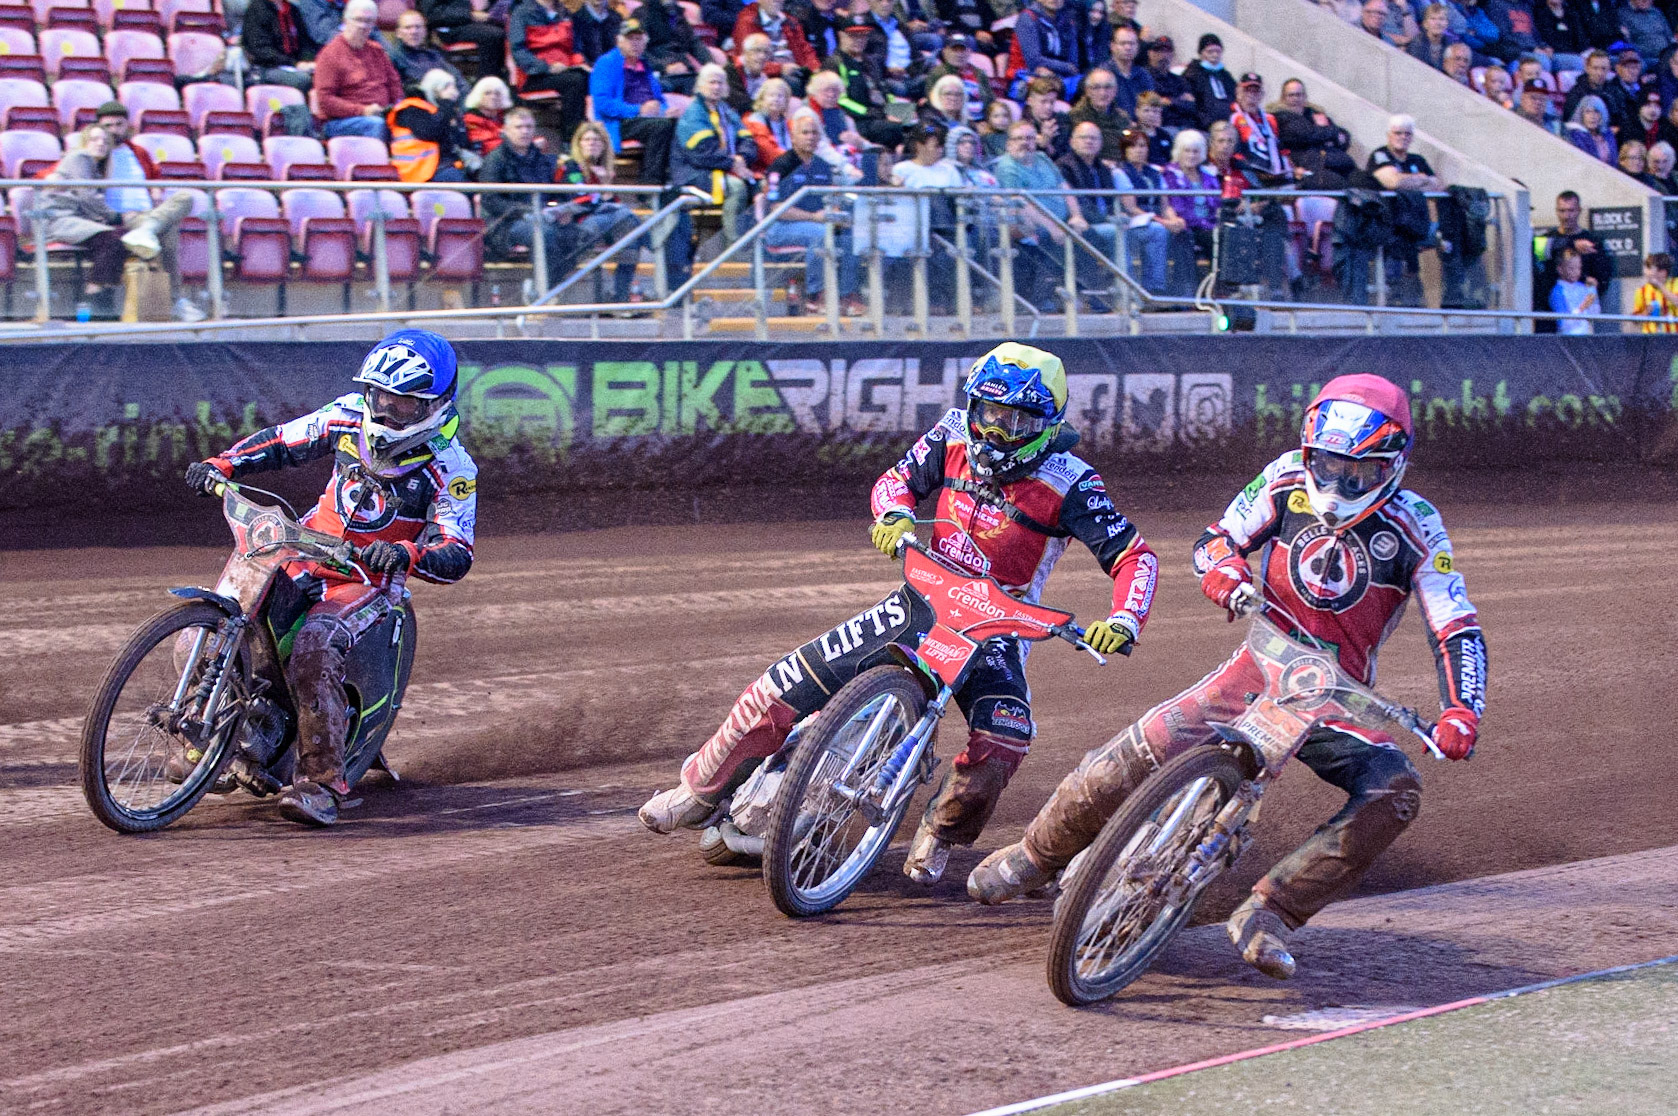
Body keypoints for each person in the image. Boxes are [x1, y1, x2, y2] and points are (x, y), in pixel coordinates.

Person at [970, 375, 1488, 990]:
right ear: (1309, 449)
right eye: (1327, 464)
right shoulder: (1286, 478)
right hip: (1260, 662)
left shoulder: (1419, 528)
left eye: (1359, 474)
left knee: (1396, 793)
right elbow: (1217, 540)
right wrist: (1222, 572)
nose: (1338, 483)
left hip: (1337, 697)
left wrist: (1462, 711)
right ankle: (1035, 855)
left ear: (1392, 465)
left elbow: (1456, 625)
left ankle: (1272, 912)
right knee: (1136, 751)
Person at [639, 343, 1159, 890]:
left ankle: (939, 831)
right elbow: (898, 480)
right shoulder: (952, 432)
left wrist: (1124, 619)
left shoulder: (1074, 482)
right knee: (785, 680)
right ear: (973, 406)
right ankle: (697, 792)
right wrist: (894, 514)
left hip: (996, 629)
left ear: (1050, 422)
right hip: (923, 598)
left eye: (1019, 419)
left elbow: (1133, 557)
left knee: (1007, 738)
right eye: (992, 414)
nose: (1000, 432)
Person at [185, 331, 478, 828]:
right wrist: (224, 463)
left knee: (315, 647)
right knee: (216, 620)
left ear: (435, 405)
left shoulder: (451, 468)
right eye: (381, 397)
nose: (386, 412)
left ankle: (322, 785)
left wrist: (406, 553)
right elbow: (284, 441)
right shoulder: (347, 415)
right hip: (303, 550)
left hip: (368, 580)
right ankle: (216, 738)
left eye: (404, 404)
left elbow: (457, 551)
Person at [40, 124, 195, 320]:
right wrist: (118, 217)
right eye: (95, 139)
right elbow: (86, 196)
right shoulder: (81, 158)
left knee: (177, 209)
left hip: (96, 219)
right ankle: (96, 296)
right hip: (61, 219)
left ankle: (147, 229)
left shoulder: (101, 166)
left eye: (105, 141)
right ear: (84, 141)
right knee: (117, 237)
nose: (101, 144)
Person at [89, 103, 203, 322]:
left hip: (147, 214)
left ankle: (149, 228)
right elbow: (63, 171)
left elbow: (155, 175)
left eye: (118, 124)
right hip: (123, 218)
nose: (113, 130)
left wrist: (156, 188)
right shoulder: (96, 152)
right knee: (168, 230)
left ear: (127, 125)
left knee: (185, 197)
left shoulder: (138, 152)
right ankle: (176, 301)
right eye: (108, 125)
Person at [763, 111, 863, 312]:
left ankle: (847, 295)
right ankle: (815, 294)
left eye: (814, 133)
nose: (810, 137)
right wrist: (814, 218)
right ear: (793, 137)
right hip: (780, 227)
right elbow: (776, 210)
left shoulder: (824, 166)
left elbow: (830, 200)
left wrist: (836, 214)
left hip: (817, 222)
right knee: (821, 234)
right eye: (805, 133)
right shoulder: (780, 166)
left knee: (851, 237)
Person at [1367, 114, 1457, 306]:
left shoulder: (1417, 159)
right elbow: (1392, 182)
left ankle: (1452, 297)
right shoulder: (1380, 155)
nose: (1402, 137)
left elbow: (1436, 185)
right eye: (1397, 133)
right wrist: (1420, 179)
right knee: (1395, 260)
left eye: (1407, 134)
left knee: (1454, 235)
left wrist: (1406, 180)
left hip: (1417, 223)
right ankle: (1393, 300)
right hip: (1389, 223)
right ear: (1389, 135)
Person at [670, 62, 759, 251]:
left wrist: (742, 158)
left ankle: (759, 243)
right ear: (700, 86)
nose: (716, 87)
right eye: (712, 82)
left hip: (725, 166)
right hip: (693, 172)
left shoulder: (726, 110)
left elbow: (747, 139)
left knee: (760, 185)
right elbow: (702, 154)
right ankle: (735, 244)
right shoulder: (693, 114)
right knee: (736, 187)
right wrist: (733, 163)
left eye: (720, 83)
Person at [479, 107, 580, 269]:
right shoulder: (494, 159)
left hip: (542, 217)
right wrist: (527, 210)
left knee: (576, 234)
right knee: (545, 234)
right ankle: (545, 289)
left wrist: (564, 208)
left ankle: (554, 287)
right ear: (506, 130)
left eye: (529, 127)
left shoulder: (541, 159)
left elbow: (557, 189)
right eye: (519, 127)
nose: (524, 131)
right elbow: (490, 200)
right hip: (504, 225)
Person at [559, 121, 644, 304]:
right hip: (578, 223)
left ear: (605, 145)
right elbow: (580, 197)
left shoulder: (606, 170)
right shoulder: (570, 167)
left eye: (597, 140)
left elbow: (612, 203)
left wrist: (605, 185)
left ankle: (621, 296)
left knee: (631, 239)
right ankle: (650, 237)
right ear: (579, 143)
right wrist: (603, 190)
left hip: (606, 223)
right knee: (630, 223)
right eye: (587, 139)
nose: (592, 143)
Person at [589, 20, 678, 184]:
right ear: (619, 41)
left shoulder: (644, 64)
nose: (635, 43)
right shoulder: (606, 63)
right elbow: (603, 104)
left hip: (647, 119)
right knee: (661, 126)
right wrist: (638, 110)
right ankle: (650, 185)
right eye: (630, 39)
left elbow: (658, 99)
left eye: (639, 39)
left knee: (677, 123)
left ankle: (676, 182)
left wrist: (665, 110)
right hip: (619, 121)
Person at [314, 0, 404, 141]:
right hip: (341, 122)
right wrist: (363, 110)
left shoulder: (378, 51)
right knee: (376, 125)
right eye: (358, 20)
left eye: (368, 21)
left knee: (415, 122)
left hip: (381, 114)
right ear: (346, 20)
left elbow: (395, 85)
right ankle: (375, 163)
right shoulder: (330, 54)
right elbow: (325, 101)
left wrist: (399, 109)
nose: (363, 26)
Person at [1056, 119, 1123, 304]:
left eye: (1094, 138)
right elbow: (1077, 203)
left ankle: (1132, 286)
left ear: (1101, 143)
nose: (1089, 141)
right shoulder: (1064, 166)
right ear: (1072, 141)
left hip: (1106, 220)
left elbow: (1111, 200)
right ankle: (1121, 289)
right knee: (1117, 232)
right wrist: (1109, 219)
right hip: (1082, 222)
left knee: (1153, 232)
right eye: (1083, 137)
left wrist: (1118, 214)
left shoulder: (1104, 168)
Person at [1112, 125, 1182, 294]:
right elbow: (1131, 208)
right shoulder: (1119, 173)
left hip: (1154, 219)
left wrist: (1173, 219)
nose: (1139, 150)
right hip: (1131, 221)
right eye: (1133, 146)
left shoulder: (1155, 172)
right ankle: (1150, 287)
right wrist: (1163, 222)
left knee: (1180, 230)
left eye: (1143, 146)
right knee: (1158, 231)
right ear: (1125, 150)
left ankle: (1170, 289)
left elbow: (1165, 204)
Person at [509, 0, 591, 142]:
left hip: (567, 70)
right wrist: (547, 68)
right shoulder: (522, 13)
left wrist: (580, 63)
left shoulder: (564, 13)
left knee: (593, 77)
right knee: (575, 81)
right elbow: (518, 51)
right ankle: (571, 138)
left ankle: (596, 134)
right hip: (535, 75)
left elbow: (575, 48)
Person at [1534, 189, 1615, 329]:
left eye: (1571, 210)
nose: (1566, 216)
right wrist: (1570, 244)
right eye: (1562, 211)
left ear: (1579, 210)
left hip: (1581, 316)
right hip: (1549, 314)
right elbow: (1536, 257)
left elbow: (1602, 279)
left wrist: (1585, 286)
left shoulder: (1593, 241)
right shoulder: (1546, 239)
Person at [824, 14, 904, 148]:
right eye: (853, 35)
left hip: (883, 113)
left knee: (923, 125)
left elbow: (884, 90)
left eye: (863, 35)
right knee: (896, 129)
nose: (859, 40)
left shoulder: (871, 61)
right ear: (841, 36)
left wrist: (895, 110)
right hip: (861, 120)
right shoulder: (834, 63)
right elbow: (841, 100)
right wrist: (877, 113)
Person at [389, 69, 480, 182]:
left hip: (444, 165)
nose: (453, 91)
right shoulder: (411, 108)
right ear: (434, 89)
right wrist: (446, 105)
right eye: (447, 87)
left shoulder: (444, 111)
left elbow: (461, 141)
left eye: (453, 86)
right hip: (419, 169)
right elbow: (430, 133)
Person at [1159, 127, 1217, 295]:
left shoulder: (1208, 175)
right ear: (1179, 151)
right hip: (1184, 223)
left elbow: (1217, 203)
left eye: (1196, 151)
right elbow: (1167, 203)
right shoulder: (1169, 173)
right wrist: (1174, 219)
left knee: (1225, 238)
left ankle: (1221, 290)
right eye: (1187, 151)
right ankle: (1186, 292)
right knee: (1183, 236)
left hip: (1208, 224)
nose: (1191, 155)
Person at [1273, 78, 1353, 186]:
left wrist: (1327, 133)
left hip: (1335, 161)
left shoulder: (1313, 113)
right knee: (1337, 183)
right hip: (1308, 166)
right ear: (1283, 98)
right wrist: (1329, 134)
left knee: (1362, 181)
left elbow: (1344, 137)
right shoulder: (1281, 118)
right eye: (1291, 95)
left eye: (1299, 95)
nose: (1296, 99)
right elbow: (1306, 135)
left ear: (1305, 96)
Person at [735, 0, 820, 92]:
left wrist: (815, 67)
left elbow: (805, 49)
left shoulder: (790, 21)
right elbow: (748, 59)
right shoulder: (747, 22)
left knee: (824, 78)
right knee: (794, 83)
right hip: (769, 75)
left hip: (797, 70)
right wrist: (780, 69)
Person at [416, 0, 508, 80]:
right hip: (449, 27)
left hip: (471, 21)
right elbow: (435, 14)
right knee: (493, 35)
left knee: (507, 28)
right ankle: (486, 82)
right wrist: (470, 15)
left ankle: (503, 77)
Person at [1010, 0, 1081, 98]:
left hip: (1061, 78)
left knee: (1087, 84)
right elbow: (1034, 61)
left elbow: (1074, 64)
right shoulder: (1028, 17)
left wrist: (1062, 71)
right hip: (1028, 75)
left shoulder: (1068, 21)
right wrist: (1066, 67)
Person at [242, 0, 318, 92]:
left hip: (294, 64)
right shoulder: (257, 9)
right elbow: (260, 50)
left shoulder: (293, 10)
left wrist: (309, 62)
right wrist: (294, 63)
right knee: (303, 80)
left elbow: (305, 43)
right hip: (267, 67)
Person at [387, 10, 467, 94]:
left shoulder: (434, 56)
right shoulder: (392, 58)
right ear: (398, 33)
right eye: (408, 27)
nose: (414, 32)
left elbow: (459, 81)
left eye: (418, 27)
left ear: (424, 32)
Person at [638, 0, 707, 95]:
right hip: (659, 73)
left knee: (713, 83)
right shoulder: (642, 14)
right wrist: (664, 67)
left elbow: (694, 42)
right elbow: (639, 51)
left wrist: (711, 65)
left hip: (685, 70)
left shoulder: (676, 13)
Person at [924, 34, 993, 122]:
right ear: (945, 52)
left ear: (969, 52)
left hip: (981, 120)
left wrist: (988, 123)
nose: (959, 54)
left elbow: (990, 100)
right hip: (951, 120)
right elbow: (932, 101)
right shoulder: (937, 73)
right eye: (954, 50)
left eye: (962, 50)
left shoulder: (979, 73)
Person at [1067, 66, 1130, 162]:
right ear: (1087, 91)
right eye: (1096, 88)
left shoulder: (1123, 118)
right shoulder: (1075, 117)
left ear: (1115, 90)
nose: (1102, 93)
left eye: (1107, 87)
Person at [1182, 32, 1234, 128]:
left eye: (1218, 51)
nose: (1215, 55)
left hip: (1228, 124)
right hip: (1204, 125)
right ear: (1201, 53)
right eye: (1210, 52)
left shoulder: (1226, 76)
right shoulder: (1192, 74)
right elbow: (1192, 103)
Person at [1146, 35, 1198, 129]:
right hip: (1162, 127)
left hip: (1186, 126)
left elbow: (1192, 106)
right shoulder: (1145, 77)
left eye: (1168, 51)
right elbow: (1152, 103)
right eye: (1159, 51)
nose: (1164, 55)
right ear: (1150, 53)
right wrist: (1179, 100)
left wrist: (1170, 101)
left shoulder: (1179, 80)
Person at [745, 76, 795, 170]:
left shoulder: (790, 124)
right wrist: (797, 159)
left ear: (786, 101)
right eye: (771, 95)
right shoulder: (754, 122)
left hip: (791, 167)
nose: (776, 99)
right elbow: (768, 154)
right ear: (762, 99)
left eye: (780, 96)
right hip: (765, 170)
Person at [1548, 245, 1600, 332]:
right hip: (1568, 339)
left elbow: (1595, 312)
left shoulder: (1582, 287)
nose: (1576, 272)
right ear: (1560, 269)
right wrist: (1581, 308)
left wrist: (1592, 290)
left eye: (1578, 268)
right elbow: (1563, 324)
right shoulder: (1558, 292)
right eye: (1571, 268)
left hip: (1586, 337)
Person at [1104, 25, 1153, 116]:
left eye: (1132, 43)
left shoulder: (1143, 75)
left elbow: (1151, 105)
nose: (1128, 48)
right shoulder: (1103, 75)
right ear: (1112, 46)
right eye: (1123, 43)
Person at [1023, 73, 1073, 161]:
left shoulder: (1062, 121)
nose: (1048, 107)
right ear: (1030, 101)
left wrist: (1047, 145)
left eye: (1052, 102)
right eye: (1043, 102)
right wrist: (1040, 145)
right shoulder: (1022, 126)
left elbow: (1066, 157)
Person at [1532, 0, 1587, 72]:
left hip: (1573, 53)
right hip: (1551, 54)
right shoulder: (1539, 12)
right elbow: (1539, 37)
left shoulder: (1571, 13)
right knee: (1578, 62)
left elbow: (1580, 38)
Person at [463, 76, 513, 153]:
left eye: (497, 93)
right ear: (478, 96)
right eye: (487, 93)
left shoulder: (505, 117)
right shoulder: (470, 120)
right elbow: (487, 146)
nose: (493, 97)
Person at [1631, 251, 1677, 330]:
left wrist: (1660, 285)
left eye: (1650, 268)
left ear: (1663, 272)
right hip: (1650, 339)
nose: (1646, 273)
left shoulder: (1675, 283)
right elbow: (1634, 319)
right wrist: (1646, 312)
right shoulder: (1642, 291)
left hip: (1673, 338)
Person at [1565, 94, 1617, 163]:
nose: (1592, 116)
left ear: (1602, 114)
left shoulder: (1608, 134)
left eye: (1596, 111)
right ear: (1581, 115)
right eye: (1588, 112)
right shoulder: (1575, 135)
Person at [1405, 2, 1458, 69]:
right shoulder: (1416, 44)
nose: (1437, 23)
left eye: (1441, 19)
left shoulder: (1451, 45)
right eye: (1433, 19)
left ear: (1447, 23)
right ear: (1425, 24)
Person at [1618, 0, 1669, 66]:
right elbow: (1627, 43)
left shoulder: (1657, 12)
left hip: (1667, 56)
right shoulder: (1623, 14)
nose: (1646, 0)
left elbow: (1669, 36)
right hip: (1644, 58)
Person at [1133, 90, 1173, 164]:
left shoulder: (1164, 135)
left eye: (1155, 111)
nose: (1151, 115)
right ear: (1137, 111)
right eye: (1146, 111)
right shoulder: (1132, 135)